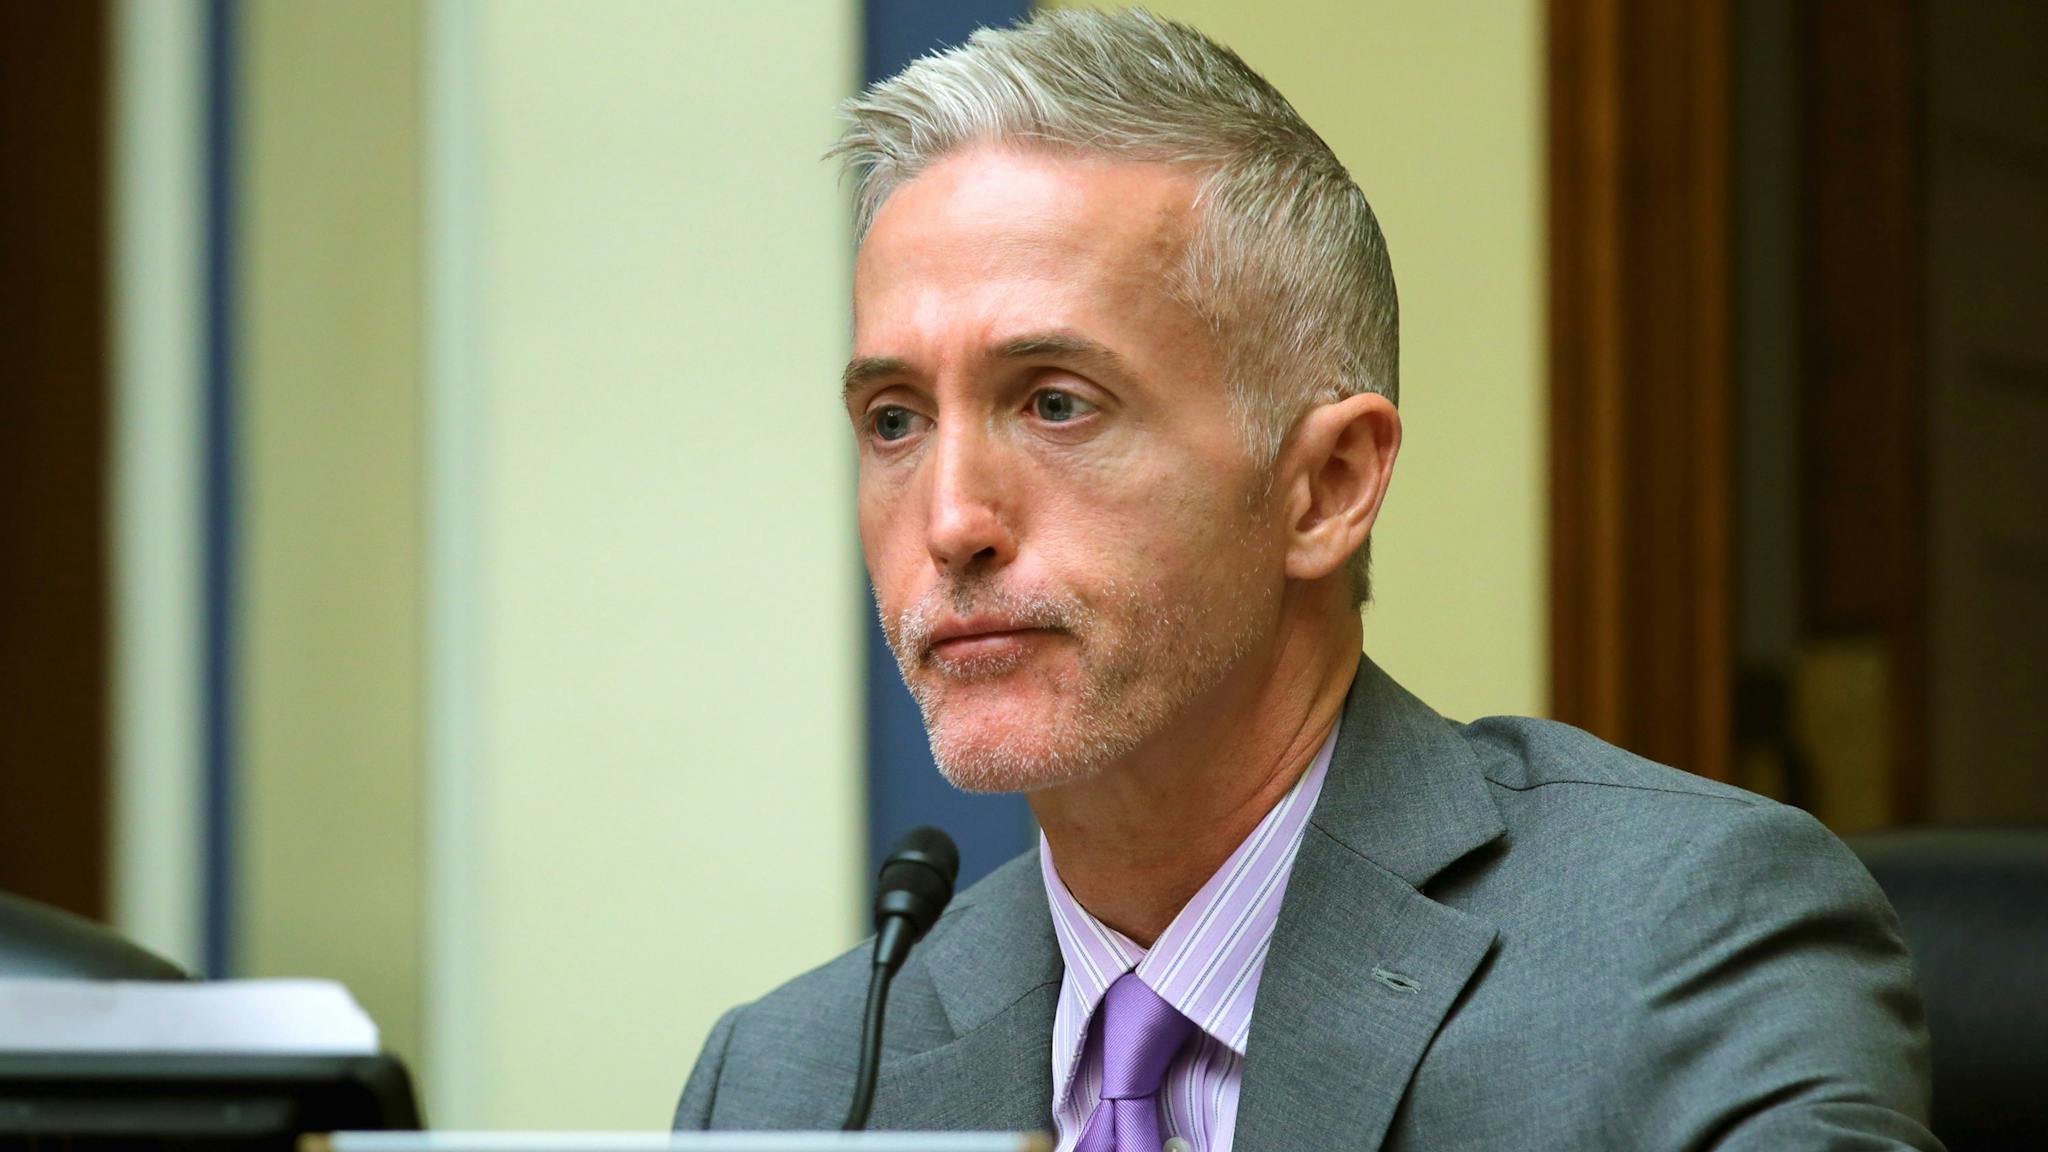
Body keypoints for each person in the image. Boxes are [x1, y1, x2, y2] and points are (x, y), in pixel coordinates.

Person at [675, 9, 1938, 1149]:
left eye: (1056, 403)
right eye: (894, 421)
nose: (950, 521)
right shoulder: (794, 1080)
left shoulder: (1680, 946)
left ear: (1327, 486)